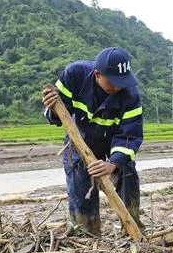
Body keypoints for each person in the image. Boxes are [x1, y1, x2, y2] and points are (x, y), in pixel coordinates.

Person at [42, 47, 143, 235]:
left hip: (114, 143)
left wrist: (113, 163)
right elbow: (57, 116)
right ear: (97, 74)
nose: (118, 87)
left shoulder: (130, 95)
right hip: (80, 140)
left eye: (122, 82)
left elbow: (131, 135)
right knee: (81, 197)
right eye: (113, 82)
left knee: (127, 174)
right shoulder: (74, 75)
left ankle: (132, 230)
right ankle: (87, 238)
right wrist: (52, 107)